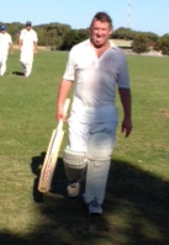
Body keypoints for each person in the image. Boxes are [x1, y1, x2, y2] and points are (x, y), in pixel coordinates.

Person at [56, 11, 132, 215]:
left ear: (110, 31)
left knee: (99, 159)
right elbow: (67, 79)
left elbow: (124, 88)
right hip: (80, 111)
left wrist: (128, 117)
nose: (99, 33)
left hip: (106, 113)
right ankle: (74, 179)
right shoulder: (77, 50)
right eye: (96, 29)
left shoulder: (118, 55)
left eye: (103, 30)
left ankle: (94, 200)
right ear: (91, 29)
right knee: (75, 158)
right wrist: (60, 105)